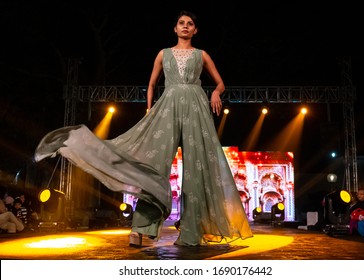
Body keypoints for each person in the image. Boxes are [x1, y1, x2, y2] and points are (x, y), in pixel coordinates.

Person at [34, 10, 253, 246]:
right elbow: (151, 84)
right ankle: (140, 228)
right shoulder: (163, 54)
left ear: (195, 30)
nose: (186, 26)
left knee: (196, 169)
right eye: (181, 23)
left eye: (190, 24)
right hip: (167, 107)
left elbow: (220, 83)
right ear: (175, 28)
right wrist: (150, 110)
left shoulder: (201, 55)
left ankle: (192, 231)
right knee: (155, 167)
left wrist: (215, 93)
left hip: (196, 107)